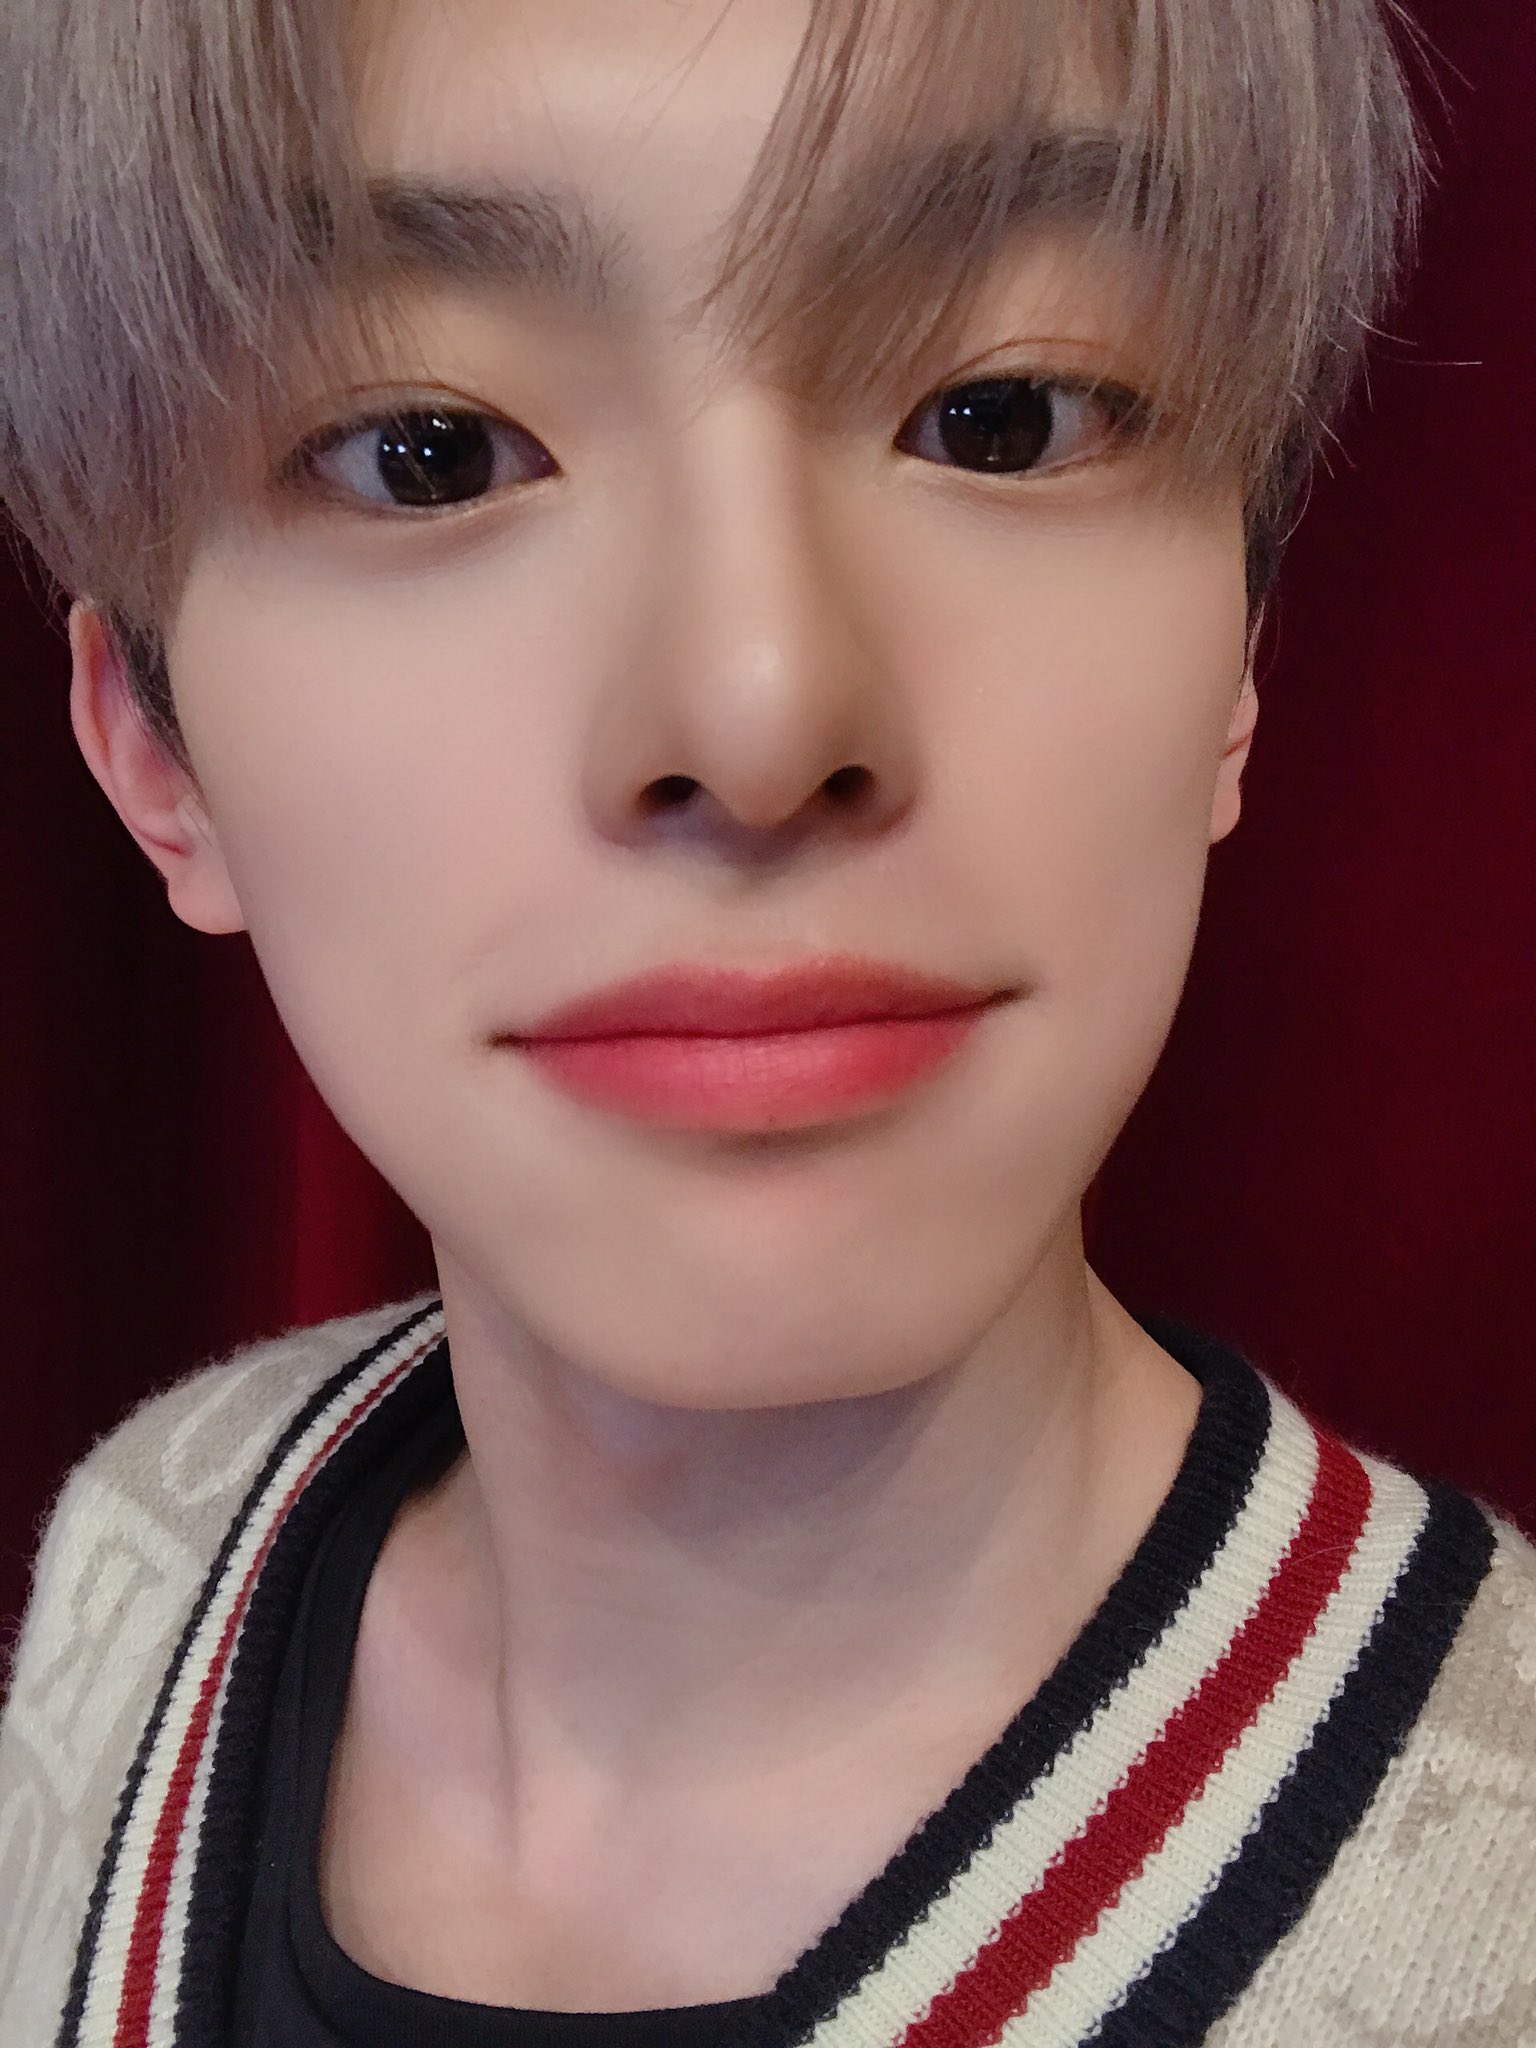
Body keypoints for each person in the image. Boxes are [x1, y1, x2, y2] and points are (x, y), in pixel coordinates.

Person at [1, 0, 1532, 2043]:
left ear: (1239, 661)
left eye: (1005, 417)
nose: (757, 711)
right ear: (151, 751)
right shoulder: (151, 1550)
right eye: (425, 453)